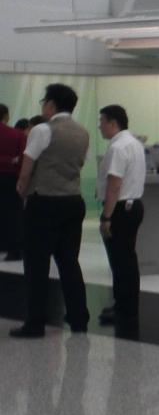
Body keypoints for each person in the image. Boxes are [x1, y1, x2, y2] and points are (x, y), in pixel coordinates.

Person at [11, 84, 90, 339]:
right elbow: (78, 163)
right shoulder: (83, 132)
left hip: (44, 201)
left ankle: (35, 323)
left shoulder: (42, 130)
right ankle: (79, 319)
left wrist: (22, 191)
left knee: (37, 264)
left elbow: (27, 168)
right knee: (69, 262)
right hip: (73, 200)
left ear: (51, 104)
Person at [96, 105, 146, 328]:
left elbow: (114, 185)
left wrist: (106, 217)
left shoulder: (118, 147)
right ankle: (125, 305)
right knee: (126, 259)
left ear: (113, 122)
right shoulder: (134, 143)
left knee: (120, 261)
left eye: (102, 121)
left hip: (120, 209)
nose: (100, 126)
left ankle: (125, 308)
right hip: (133, 206)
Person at [0, 104, 24, 261]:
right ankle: (14, 250)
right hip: (11, 178)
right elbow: (22, 158)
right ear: (6, 116)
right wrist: (11, 160)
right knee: (13, 214)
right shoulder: (18, 135)